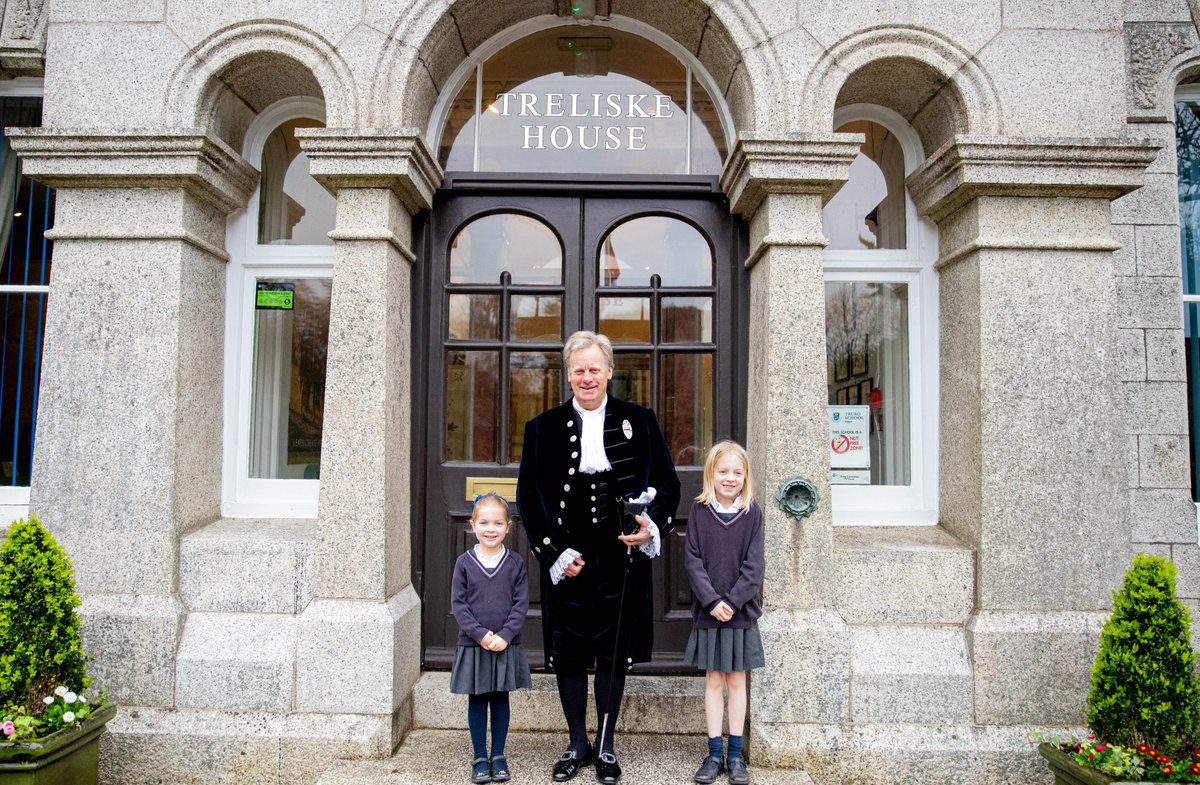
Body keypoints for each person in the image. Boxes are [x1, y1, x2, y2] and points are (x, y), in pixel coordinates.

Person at [517, 330, 681, 784]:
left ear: (609, 371)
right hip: (568, 560)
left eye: (594, 369)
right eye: (578, 370)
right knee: (568, 654)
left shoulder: (640, 420)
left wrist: (652, 524)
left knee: (613, 653)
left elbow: (669, 486)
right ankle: (576, 743)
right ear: (567, 375)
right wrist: (552, 553)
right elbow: (528, 498)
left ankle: (606, 745)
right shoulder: (542, 428)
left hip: (622, 560)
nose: (587, 378)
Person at [683, 441, 765, 785]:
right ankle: (714, 753)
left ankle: (735, 755)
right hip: (709, 612)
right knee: (715, 680)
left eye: (737, 472)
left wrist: (732, 601)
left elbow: (755, 566)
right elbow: (693, 561)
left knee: (737, 680)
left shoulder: (753, 514)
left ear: (745, 476)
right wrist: (712, 601)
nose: (729, 478)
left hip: (740, 613)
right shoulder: (699, 511)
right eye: (723, 472)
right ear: (711, 475)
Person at [449, 493, 533, 784]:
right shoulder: (464, 562)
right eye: (484, 522)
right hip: (475, 645)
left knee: (500, 700)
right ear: (473, 526)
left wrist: (505, 636)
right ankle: (480, 757)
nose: (490, 528)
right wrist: (481, 635)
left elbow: (521, 604)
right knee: (477, 700)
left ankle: (498, 755)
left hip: (505, 644)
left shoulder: (515, 563)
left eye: (498, 523)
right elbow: (459, 605)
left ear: (508, 528)